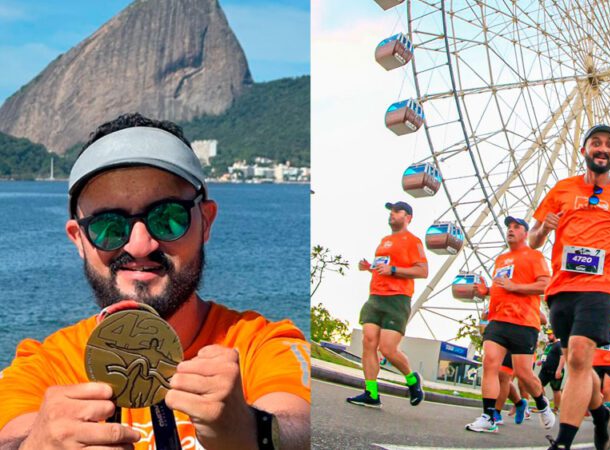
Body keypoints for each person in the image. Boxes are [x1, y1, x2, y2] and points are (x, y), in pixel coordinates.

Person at [0, 114, 311, 449]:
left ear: (205, 222)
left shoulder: (259, 345)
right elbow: (11, 434)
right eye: (108, 226)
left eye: (168, 218)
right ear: (79, 240)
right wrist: (35, 444)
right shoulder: (44, 365)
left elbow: (300, 423)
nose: (139, 245)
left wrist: (254, 431)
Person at [529, 124, 610, 450]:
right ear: (585, 150)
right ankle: (600, 414)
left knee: (582, 358)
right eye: (596, 143)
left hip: (602, 288)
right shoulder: (562, 189)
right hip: (561, 289)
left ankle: (562, 443)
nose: (603, 149)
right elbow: (532, 239)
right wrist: (543, 228)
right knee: (577, 364)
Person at [466, 217, 556, 433]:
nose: (511, 230)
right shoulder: (501, 259)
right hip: (498, 321)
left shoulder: (534, 256)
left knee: (524, 374)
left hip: (524, 322)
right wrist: (486, 292)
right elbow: (501, 287)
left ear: (526, 233)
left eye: (516, 227)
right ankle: (488, 416)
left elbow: (545, 285)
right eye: (509, 227)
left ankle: (542, 404)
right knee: (490, 364)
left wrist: (515, 286)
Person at [348, 201, 428, 409]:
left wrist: (392, 270)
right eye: (390, 211)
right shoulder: (384, 241)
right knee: (368, 342)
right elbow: (381, 267)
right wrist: (369, 268)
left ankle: (412, 379)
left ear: (408, 217)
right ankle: (371, 393)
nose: (392, 214)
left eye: (397, 211)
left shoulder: (413, 241)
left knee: (388, 349)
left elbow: (422, 271)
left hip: (397, 299)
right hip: (375, 296)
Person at [538, 328, 566, 413]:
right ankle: (544, 405)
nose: (548, 336)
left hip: (555, 371)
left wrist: (559, 370)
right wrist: (541, 361)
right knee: (538, 385)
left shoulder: (559, 344)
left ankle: (556, 409)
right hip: (544, 370)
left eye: (550, 334)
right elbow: (546, 354)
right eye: (547, 335)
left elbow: (563, 357)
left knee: (556, 390)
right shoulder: (549, 345)